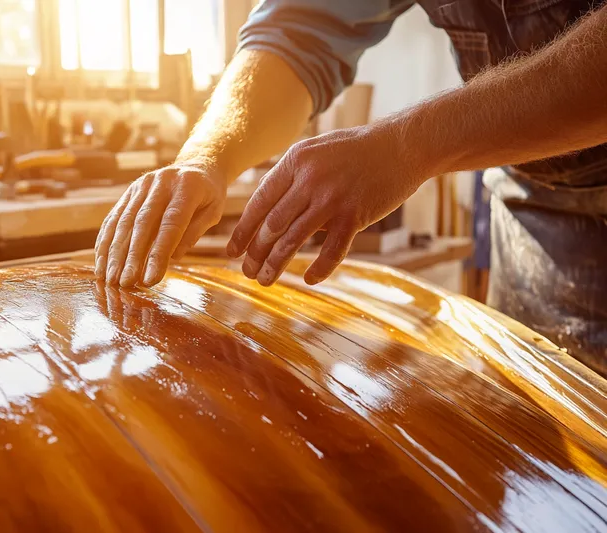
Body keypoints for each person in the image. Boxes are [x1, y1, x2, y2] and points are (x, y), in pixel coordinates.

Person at [95, 1, 607, 376]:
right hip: (536, 208)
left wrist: (405, 147)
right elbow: (299, 34)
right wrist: (207, 157)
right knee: (548, 455)